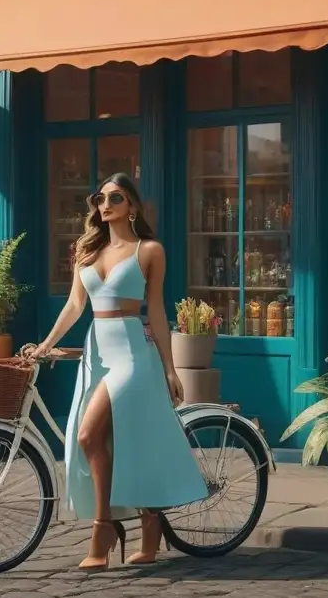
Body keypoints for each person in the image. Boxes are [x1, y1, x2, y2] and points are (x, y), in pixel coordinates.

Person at [29, 173, 208, 571]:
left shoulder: (149, 251)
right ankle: (148, 525)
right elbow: (75, 306)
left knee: (89, 434)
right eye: (99, 198)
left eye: (115, 197)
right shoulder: (86, 251)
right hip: (97, 350)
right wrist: (44, 345)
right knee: (116, 441)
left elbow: (157, 312)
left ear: (133, 207)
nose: (104, 205)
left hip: (132, 353)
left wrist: (170, 369)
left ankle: (103, 527)